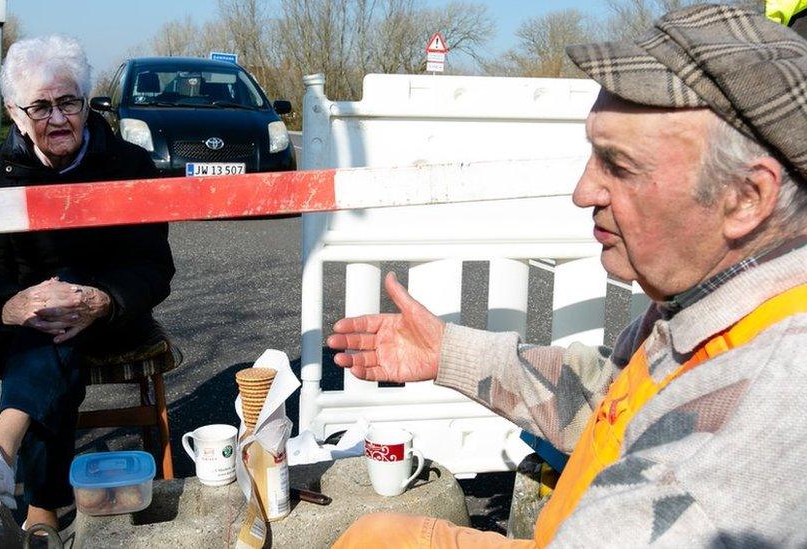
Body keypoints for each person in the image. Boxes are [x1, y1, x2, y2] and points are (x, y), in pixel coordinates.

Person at [329, 5, 807, 547]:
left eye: (619, 165)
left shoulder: (719, 463)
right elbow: (610, 403)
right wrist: (447, 352)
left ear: (747, 198)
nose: (584, 192)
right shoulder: (713, 298)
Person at [0, 35, 175, 532]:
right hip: (17, 324)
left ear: (86, 102)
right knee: (48, 318)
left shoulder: (131, 165)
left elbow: (152, 266)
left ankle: (11, 467)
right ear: (15, 114)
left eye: (68, 103)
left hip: (111, 317)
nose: (58, 119)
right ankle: (36, 505)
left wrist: (101, 299)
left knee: (64, 300)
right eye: (40, 107)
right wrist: (12, 303)